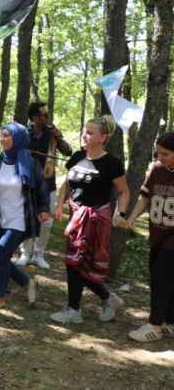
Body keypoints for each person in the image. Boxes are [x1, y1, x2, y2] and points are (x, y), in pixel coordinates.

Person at [50, 116, 129, 325]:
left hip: (96, 219)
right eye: (85, 131)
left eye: (91, 132)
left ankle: (80, 308)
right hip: (76, 217)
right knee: (73, 263)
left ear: (103, 137)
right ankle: (99, 301)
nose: (85, 135)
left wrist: (120, 213)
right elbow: (67, 185)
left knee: (82, 265)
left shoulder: (112, 163)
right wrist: (59, 205)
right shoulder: (77, 157)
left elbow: (124, 192)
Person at [0, 122, 50, 311]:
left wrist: (43, 208)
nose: (2, 139)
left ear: (18, 138)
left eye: (7, 135)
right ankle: (27, 282)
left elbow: (42, 189)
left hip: (19, 219)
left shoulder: (30, 163)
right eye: (1, 135)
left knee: (0, 255)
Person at [125, 132, 174, 341]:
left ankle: (155, 324)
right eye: (158, 153)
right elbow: (145, 198)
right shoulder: (157, 170)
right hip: (157, 234)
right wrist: (132, 218)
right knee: (160, 277)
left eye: (166, 154)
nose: (160, 157)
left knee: (162, 279)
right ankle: (168, 322)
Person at [18, 101, 73, 268]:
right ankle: (25, 253)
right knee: (27, 217)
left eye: (48, 115)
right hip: (28, 182)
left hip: (47, 183)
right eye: (44, 115)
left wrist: (59, 137)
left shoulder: (52, 133)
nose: (47, 118)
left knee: (47, 221)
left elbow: (68, 151)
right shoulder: (24, 133)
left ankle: (38, 254)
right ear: (35, 117)